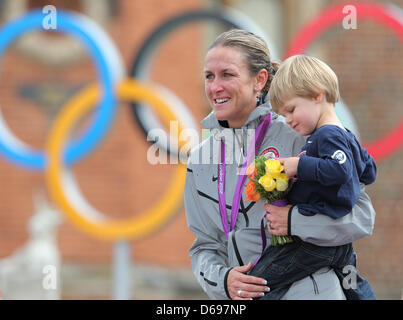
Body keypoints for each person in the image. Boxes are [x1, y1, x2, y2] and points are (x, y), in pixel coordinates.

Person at [184, 29, 376, 300]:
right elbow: (204, 246)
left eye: (227, 74)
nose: (215, 87)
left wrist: (295, 221)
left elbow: (362, 217)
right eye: (209, 76)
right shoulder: (200, 159)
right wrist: (223, 280)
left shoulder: (301, 132)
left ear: (259, 80)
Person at [247, 54, 377, 300]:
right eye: (283, 114)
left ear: (318, 95)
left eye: (291, 110)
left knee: (258, 283)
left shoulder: (327, 135)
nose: (287, 120)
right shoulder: (345, 136)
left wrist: (299, 165)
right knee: (353, 287)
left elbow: (339, 170)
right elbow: (368, 171)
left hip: (315, 240)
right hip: (338, 244)